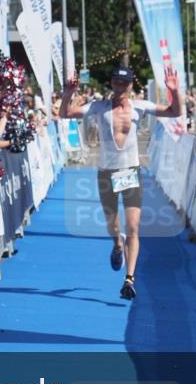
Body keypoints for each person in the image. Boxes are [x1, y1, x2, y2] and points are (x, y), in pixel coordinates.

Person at [60, 64, 182, 300]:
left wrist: (174, 90)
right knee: (113, 226)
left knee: (134, 227)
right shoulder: (99, 107)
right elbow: (65, 114)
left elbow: (174, 111)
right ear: (112, 82)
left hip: (130, 172)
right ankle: (117, 244)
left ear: (130, 84)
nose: (119, 86)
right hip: (106, 172)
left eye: (124, 83)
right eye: (116, 82)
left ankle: (129, 279)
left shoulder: (140, 107)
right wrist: (67, 94)